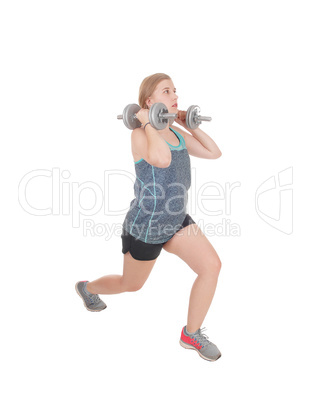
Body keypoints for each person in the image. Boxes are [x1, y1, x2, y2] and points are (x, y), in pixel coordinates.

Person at [75, 73, 223, 362]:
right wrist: (146, 121)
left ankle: (190, 334)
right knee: (131, 285)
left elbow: (213, 152)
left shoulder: (177, 134)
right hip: (147, 225)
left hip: (177, 219)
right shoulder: (140, 134)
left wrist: (184, 122)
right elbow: (161, 159)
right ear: (149, 102)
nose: (175, 96)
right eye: (167, 91)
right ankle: (87, 288)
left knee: (212, 266)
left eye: (175, 91)